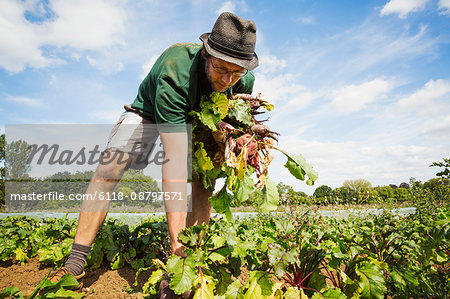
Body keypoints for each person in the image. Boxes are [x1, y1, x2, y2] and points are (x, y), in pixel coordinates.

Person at [49, 11, 259, 297]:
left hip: (204, 118)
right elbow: (174, 165)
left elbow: (231, 127)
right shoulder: (175, 71)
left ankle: (193, 258)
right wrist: (175, 251)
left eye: (236, 72)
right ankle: (75, 261)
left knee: (205, 178)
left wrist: (237, 140)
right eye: (221, 68)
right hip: (149, 112)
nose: (227, 79)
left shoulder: (241, 81)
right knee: (109, 169)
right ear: (206, 55)